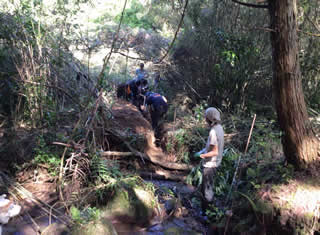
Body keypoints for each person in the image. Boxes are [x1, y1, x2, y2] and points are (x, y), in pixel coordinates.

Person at [194, 107, 224, 210]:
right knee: (208, 187)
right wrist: (202, 151)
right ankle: (209, 210)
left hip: (210, 165)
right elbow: (211, 147)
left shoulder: (213, 132)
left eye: (206, 117)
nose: (205, 119)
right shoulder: (219, 127)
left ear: (210, 118)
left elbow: (214, 151)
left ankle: (205, 213)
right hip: (216, 163)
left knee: (206, 189)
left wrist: (202, 156)